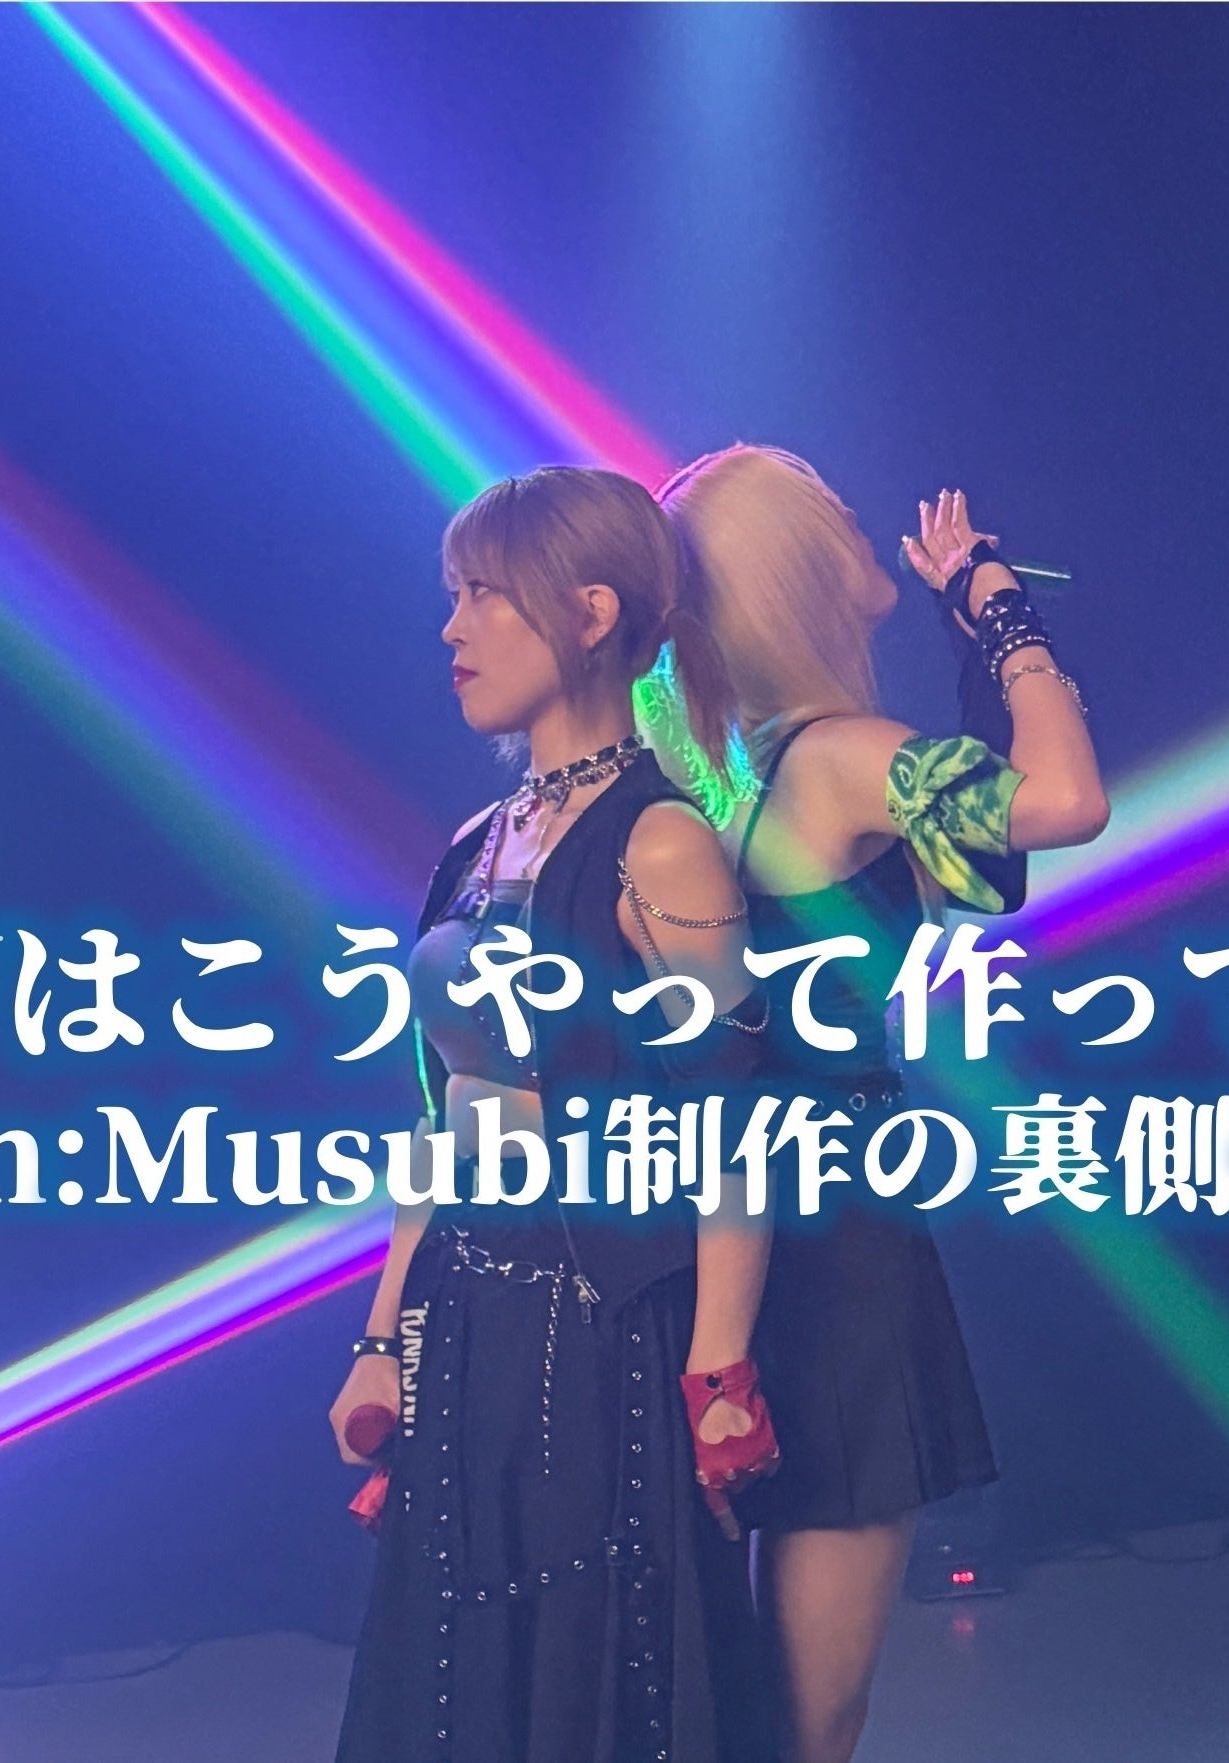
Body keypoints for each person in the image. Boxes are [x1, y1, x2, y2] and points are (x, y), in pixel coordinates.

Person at [655, 446, 1110, 1763]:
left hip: (734, 1216)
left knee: (751, 1687)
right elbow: (1064, 803)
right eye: (840, 524)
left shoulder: (729, 769)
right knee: (812, 1714)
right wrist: (1003, 613)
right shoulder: (840, 758)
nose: (870, 540)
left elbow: (981, 861)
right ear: (796, 574)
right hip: (836, 1239)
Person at [330, 466, 785, 1763]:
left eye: (486, 595)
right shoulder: (473, 843)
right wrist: (382, 1337)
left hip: (607, 1330)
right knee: (456, 1681)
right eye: (454, 595)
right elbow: (446, 1117)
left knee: (600, 1675)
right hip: (466, 1315)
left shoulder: (663, 845)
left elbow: (736, 1134)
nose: (452, 627)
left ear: (590, 612)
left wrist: (720, 1373)